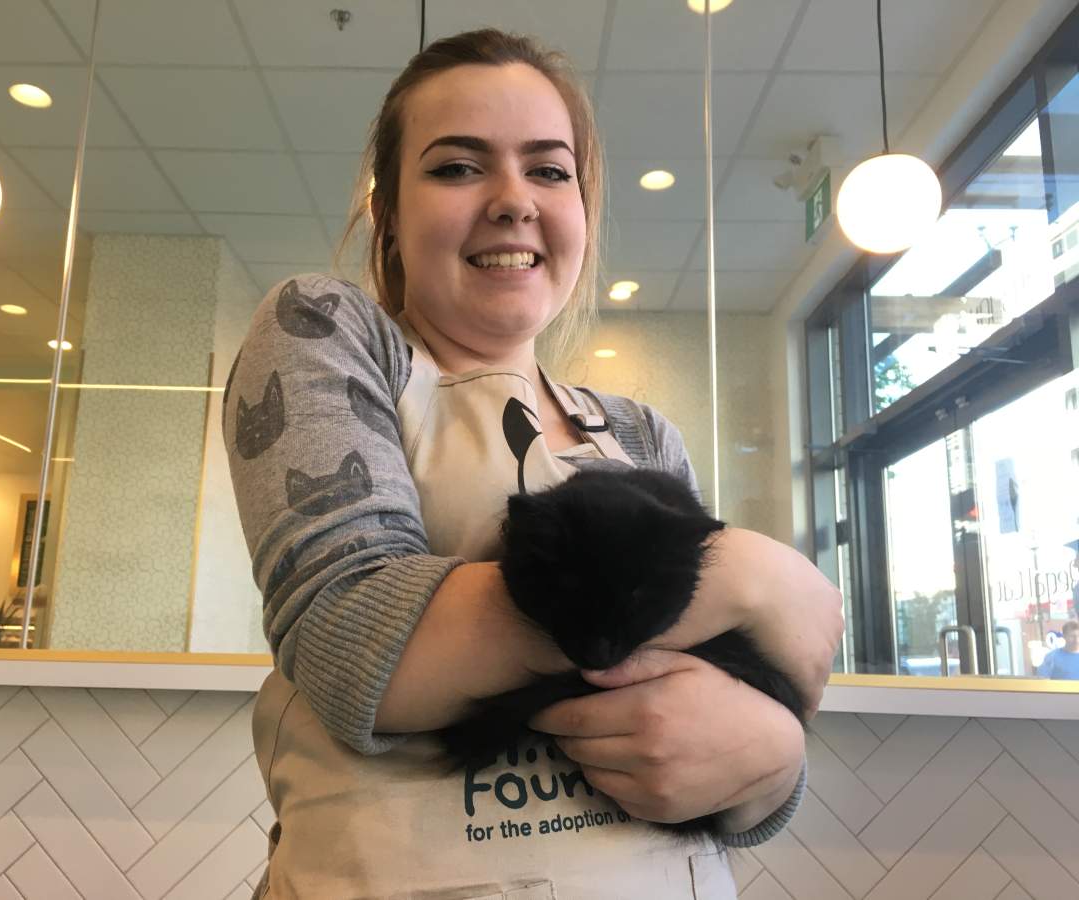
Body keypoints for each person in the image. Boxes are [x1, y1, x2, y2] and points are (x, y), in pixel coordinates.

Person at [224, 29, 843, 899]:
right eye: (456, 167)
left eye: (550, 171)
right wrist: (751, 575)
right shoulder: (328, 333)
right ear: (389, 215)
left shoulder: (638, 432)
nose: (515, 201)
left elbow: (728, 707)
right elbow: (352, 646)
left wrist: (773, 769)